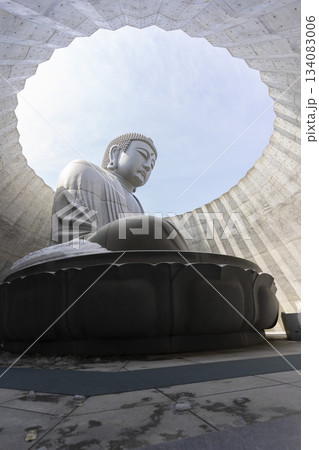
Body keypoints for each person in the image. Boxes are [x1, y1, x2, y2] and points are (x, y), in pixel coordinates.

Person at [51, 132, 188, 250]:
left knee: (161, 231)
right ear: (115, 154)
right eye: (142, 155)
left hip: (129, 269)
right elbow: (73, 243)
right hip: (83, 260)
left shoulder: (137, 204)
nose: (147, 167)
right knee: (157, 229)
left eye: (152, 165)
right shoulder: (84, 171)